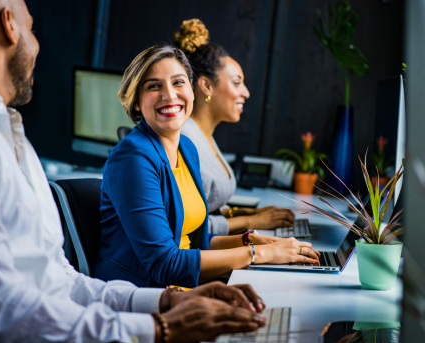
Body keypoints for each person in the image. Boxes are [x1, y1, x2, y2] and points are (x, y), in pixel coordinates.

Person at [0, 1, 268, 342]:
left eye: (177, 83)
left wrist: (169, 301)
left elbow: (59, 282)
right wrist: (161, 327)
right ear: (9, 25)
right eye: (32, 28)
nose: (37, 45)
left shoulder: (4, 128)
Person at [95, 44, 319, 289]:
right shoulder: (133, 157)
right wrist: (259, 254)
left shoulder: (187, 149)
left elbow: (196, 243)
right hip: (142, 295)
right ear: (136, 102)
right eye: (154, 86)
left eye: (178, 82)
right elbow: (165, 264)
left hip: (184, 288)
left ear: (192, 90)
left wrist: (253, 241)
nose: (169, 95)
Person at [177, 19, 296, 236]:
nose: (246, 92)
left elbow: (208, 207)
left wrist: (245, 213)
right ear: (206, 86)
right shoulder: (186, 140)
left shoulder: (204, 136)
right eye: (236, 82)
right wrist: (251, 221)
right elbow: (189, 228)